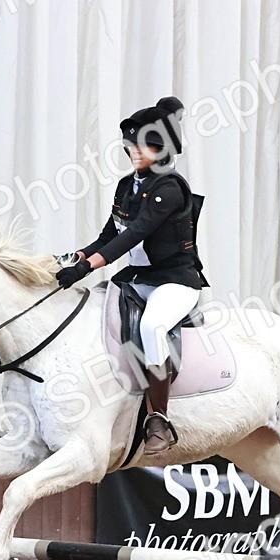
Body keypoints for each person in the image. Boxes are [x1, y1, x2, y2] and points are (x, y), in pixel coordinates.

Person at [56, 96, 206, 455]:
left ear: (163, 149)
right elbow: (110, 234)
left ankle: (159, 419)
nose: (136, 154)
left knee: (152, 326)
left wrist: (90, 266)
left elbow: (134, 234)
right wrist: (76, 256)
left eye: (146, 147)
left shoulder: (170, 188)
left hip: (175, 281)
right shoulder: (127, 186)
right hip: (137, 279)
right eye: (132, 147)